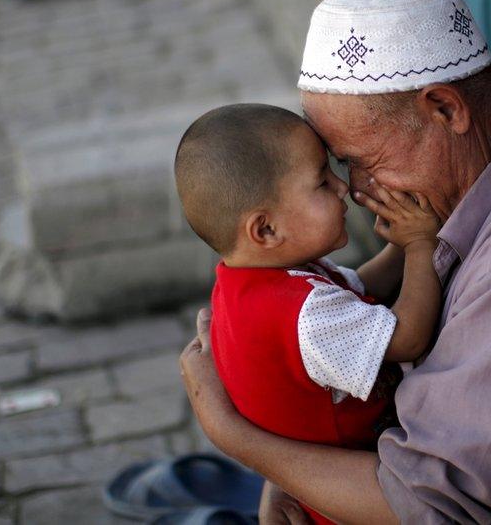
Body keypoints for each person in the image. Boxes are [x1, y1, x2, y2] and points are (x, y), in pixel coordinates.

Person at [180, 0, 491, 523]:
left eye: (359, 160)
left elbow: (424, 507)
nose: (360, 191)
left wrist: (241, 440)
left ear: (443, 108)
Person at [173, 103, 442, 523]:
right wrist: (424, 246)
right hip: (352, 500)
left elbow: (357, 291)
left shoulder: (245, 282)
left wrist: (402, 245)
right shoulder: (308, 315)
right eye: (321, 181)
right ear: (265, 229)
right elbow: (408, 336)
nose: (342, 188)